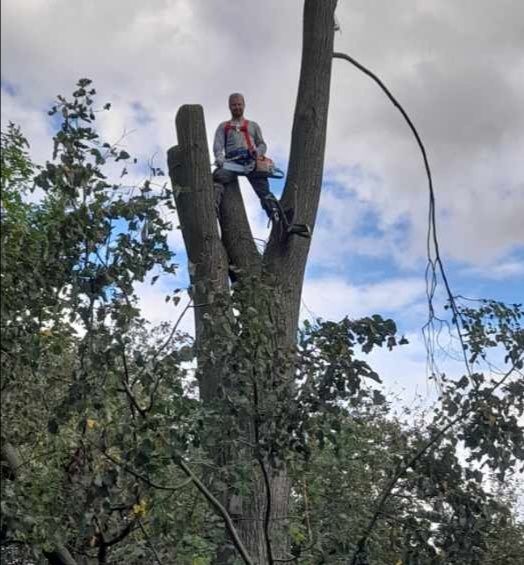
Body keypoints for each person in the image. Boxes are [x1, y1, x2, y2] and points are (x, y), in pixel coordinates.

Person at [213, 93, 280, 220]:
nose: (237, 107)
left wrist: (257, 152)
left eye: (239, 104)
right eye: (234, 105)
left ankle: (276, 215)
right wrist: (220, 158)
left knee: (264, 190)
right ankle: (214, 207)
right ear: (229, 106)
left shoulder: (253, 126)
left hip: (251, 162)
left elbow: (262, 144)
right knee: (218, 176)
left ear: (244, 105)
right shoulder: (224, 126)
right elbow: (218, 146)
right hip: (231, 163)